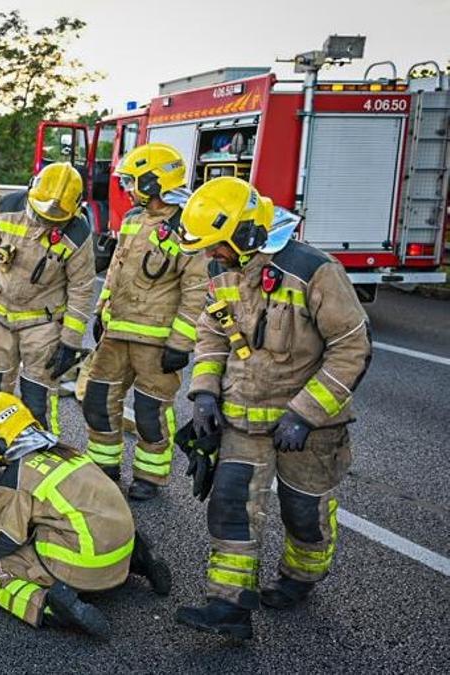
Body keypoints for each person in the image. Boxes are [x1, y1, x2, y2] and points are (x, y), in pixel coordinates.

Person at [172, 177, 372, 640]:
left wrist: (304, 414)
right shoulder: (223, 269)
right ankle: (228, 607)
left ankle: (302, 576)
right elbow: (212, 333)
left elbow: (351, 347)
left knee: (302, 514)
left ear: (244, 234)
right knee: (230, 506)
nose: (211, 257)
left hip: (310, 429)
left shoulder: (314, 271)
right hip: (243, 419)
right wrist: (203, 391)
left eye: (217, 247)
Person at [0, 392, 172, 639]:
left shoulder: (17, 479)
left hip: (83, 566)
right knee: (73, 520)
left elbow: (4, 541)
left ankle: (52, 607)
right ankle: (141, 560)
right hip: (122, 545)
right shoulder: (68, 452)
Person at [84, 143, 209, 501]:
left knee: (149, 413)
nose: (127, 188)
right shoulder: (133, 220)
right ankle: (104, 470)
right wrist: (101, 310)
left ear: (154, 181)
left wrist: (181, 344)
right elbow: (116, 270)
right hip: (116, 333)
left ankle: (150, 478)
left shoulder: (186, 228)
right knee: (97, 401)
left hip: (157, 343)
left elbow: (196, 289)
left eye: (133, 181)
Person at [0, 162, 95, 435]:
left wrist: (69, 343)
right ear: (31, 190)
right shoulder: (7, 208)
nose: (45, 222)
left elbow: (82, 288)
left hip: (42, 325)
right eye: (40, 214)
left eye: (55, 221)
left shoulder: (77, 233)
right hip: (0, 317)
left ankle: (42, 451)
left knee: (37, 395)